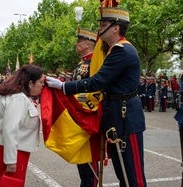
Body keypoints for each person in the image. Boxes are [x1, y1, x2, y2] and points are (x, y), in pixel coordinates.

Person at [46, 7, 147, 187]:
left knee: (132, 177)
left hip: (125, 118)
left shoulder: (122, 50)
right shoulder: (113, 50)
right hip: (116, 115)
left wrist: (63, 86)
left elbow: (98, 81)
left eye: (104, 25)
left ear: (116, 28)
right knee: (123, 174)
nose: (99, 29)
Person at [0, 64, 44, 187]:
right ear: (30, 83)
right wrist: (10, 160)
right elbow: (10, 129)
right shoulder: (18, 99)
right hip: (8, 149)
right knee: (8, 183)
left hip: (1, 145)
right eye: (40, 82)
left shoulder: (17, 94)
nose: (43, 85)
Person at [73, 27, 99, 187]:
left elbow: (95, 90)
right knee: (81, 161)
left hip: (88, 114)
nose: (76, 44)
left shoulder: (95, 62)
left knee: (89, 163)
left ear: (88, 44)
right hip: (78, 115)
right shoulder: (82, 63)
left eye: (79, 41)